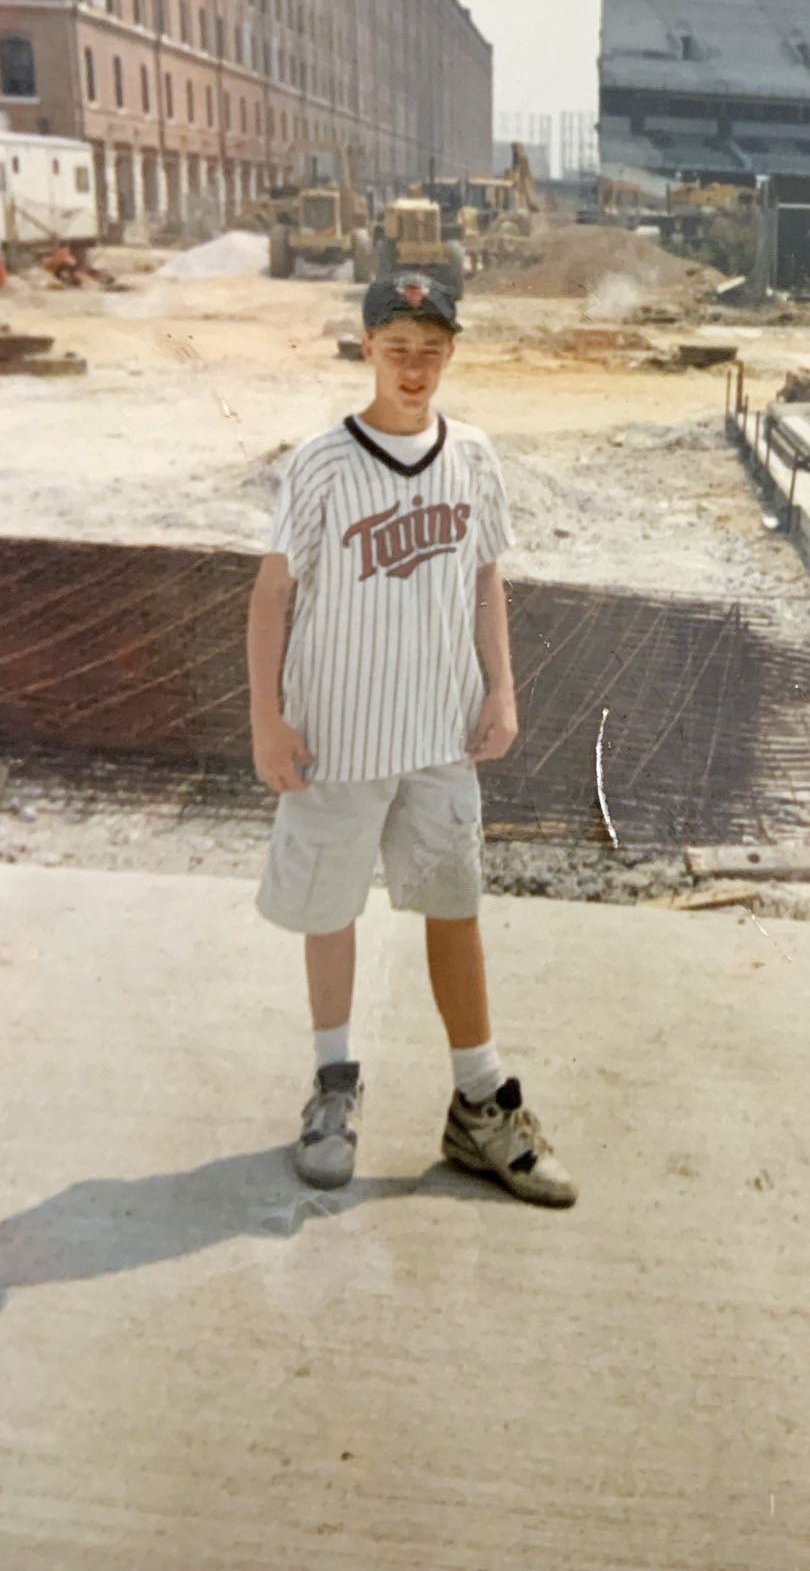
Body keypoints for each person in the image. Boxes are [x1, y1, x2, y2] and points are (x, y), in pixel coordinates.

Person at [245, 268, 576, 1207]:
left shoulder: (473, 455)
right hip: (338, 737)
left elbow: (483, 579)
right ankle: (334, 1085)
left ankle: (480, 1101)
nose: (415, 367)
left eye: (432, 351)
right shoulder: (320, 462)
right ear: (366, 350)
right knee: (329, 907)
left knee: (453, 904)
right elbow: (272, 594)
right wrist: (267, 716)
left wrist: (502, 687)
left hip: (437, 732)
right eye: (398, 349)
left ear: (451, 354)